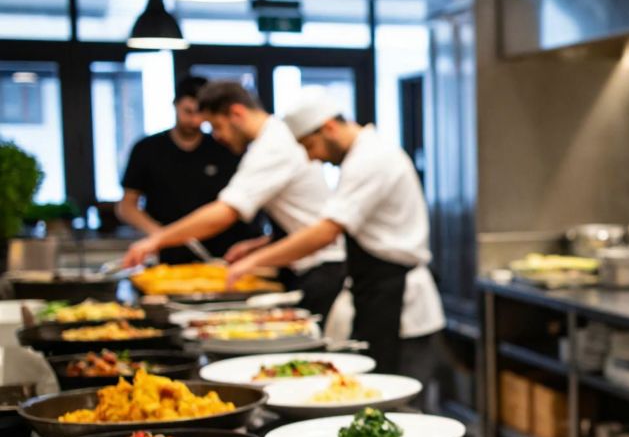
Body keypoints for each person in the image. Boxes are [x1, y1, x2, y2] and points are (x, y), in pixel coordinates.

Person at [223, 88, 445, 375]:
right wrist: (260, 247)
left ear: (329, 127)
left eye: (309, 146)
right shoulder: (362, 155)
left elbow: (326, 232)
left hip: (399, 302)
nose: (312, 158)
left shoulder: (371, 158)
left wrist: (254, 261)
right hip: (376, 294)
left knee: (400, 401)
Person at [121, 82, 346, 320]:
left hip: (322, 267)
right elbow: (303, 217)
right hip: (310, 265)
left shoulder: (272, 146)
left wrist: (157, 240)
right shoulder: (271, 139)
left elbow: (226, 211)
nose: (216, 137)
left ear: (237, 113)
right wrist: (260, 244)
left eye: (217, 126)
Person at [115, 75, 260, 263]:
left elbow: (232, 208)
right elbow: (126, 206)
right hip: (170, 254)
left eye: (201, 115)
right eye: (188, 111)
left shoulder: (226, 147)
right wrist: (160, 235)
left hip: (223, 255)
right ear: (175, 105)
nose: (195, 121)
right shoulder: (147, 149)